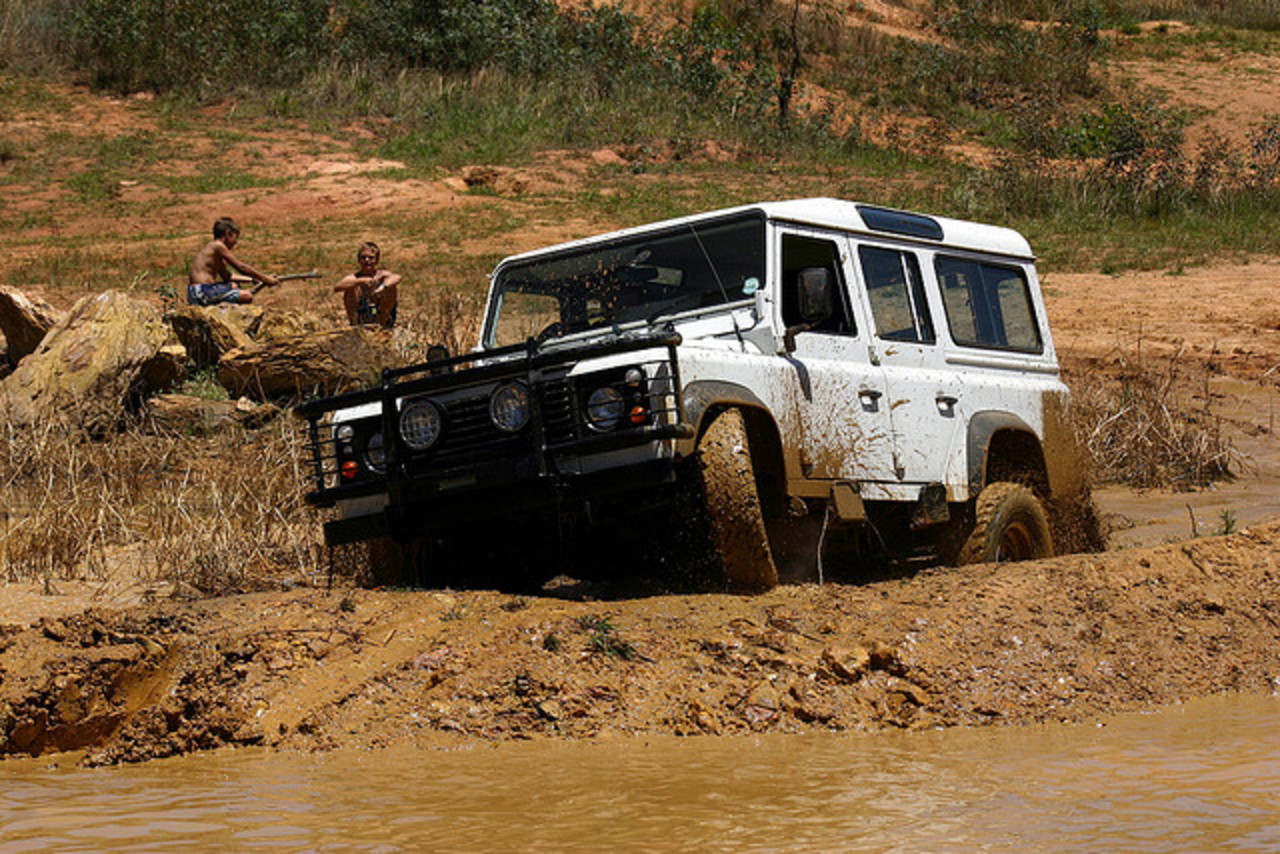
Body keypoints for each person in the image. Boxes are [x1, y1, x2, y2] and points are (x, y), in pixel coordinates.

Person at [187, 217, 279, 306]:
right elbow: (240, 266)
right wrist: (266, 279)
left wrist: (252, 279)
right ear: (228, 234)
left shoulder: (213, 253)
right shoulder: (218, 246)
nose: (236, 242)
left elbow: (228, 276)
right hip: (201, 292)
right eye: (236, 237)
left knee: (234, 286)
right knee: (246, 296)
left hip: (195, 293)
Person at [333, 241, 401, 328]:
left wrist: (382, 287)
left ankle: (381, 328)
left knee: (391, 287)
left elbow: (397, 277)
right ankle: (355, 328)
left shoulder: (382, 275)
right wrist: (361, 281)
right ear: (358, 260)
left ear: (376, 260)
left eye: (371, 258)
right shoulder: (354, 277)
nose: (367, 260)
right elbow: (337, 287)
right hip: (360, 317)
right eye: (363, 257)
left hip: (381, 317)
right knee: (350, 287)